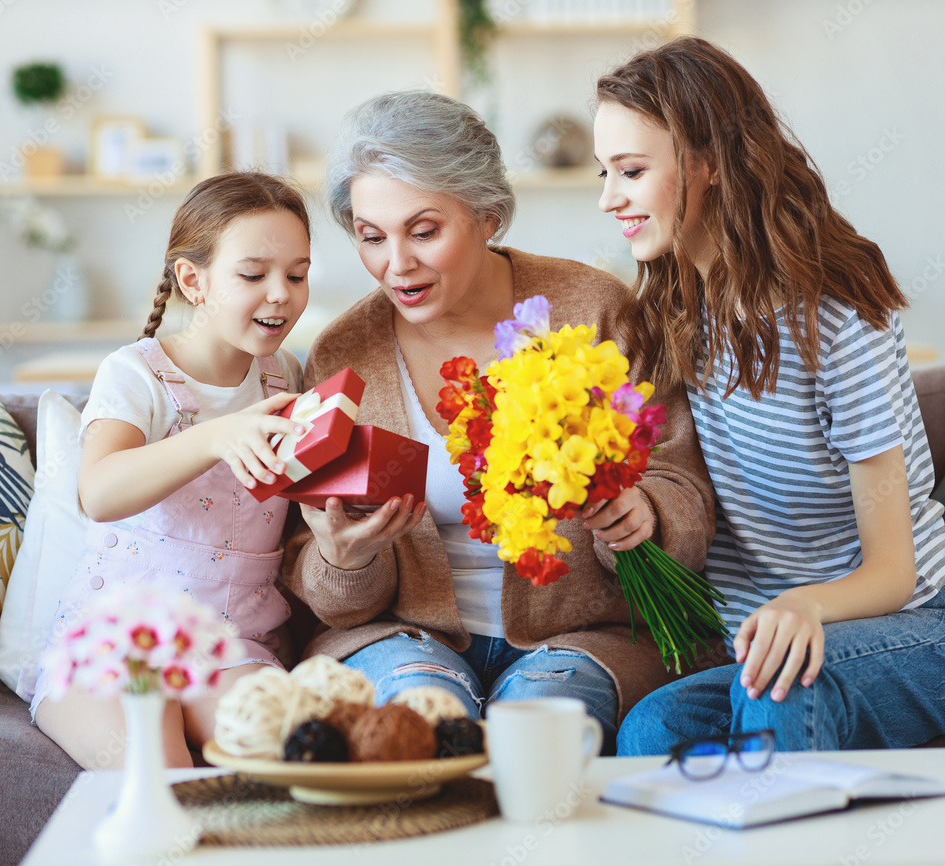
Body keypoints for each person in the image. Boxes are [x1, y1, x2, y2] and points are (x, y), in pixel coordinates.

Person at [282, 90, 715, 751]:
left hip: (583, 636)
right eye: (372, 237)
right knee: (426, 727)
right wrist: (345, 558)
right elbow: (331, 592)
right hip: (403, 637)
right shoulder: (345, 355)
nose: (396, 264)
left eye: (424, 231)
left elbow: (682, 488)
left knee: (532, 733)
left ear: (488, 215)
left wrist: (642, 514)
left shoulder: (594, 311)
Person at [592, 37, 945, 754]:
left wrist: (800, 606)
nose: (608, 198)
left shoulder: (837, 319)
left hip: (913, 622)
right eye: (605, 172)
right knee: (649, 732)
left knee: (780, 688)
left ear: (708, 163)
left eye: (630, 171)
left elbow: (893, 570)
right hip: (764, 645)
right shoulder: (670, 316)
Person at [33, 172, 313, 768]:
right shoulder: (135, 373)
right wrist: (216, 436)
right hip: (119, 641)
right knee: (160, 777)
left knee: (294, 757)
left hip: (231, 647)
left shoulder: (284, 374)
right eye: (253, 274)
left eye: (296, 274)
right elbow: (100, 492)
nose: (281, 294)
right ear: (193, 279)